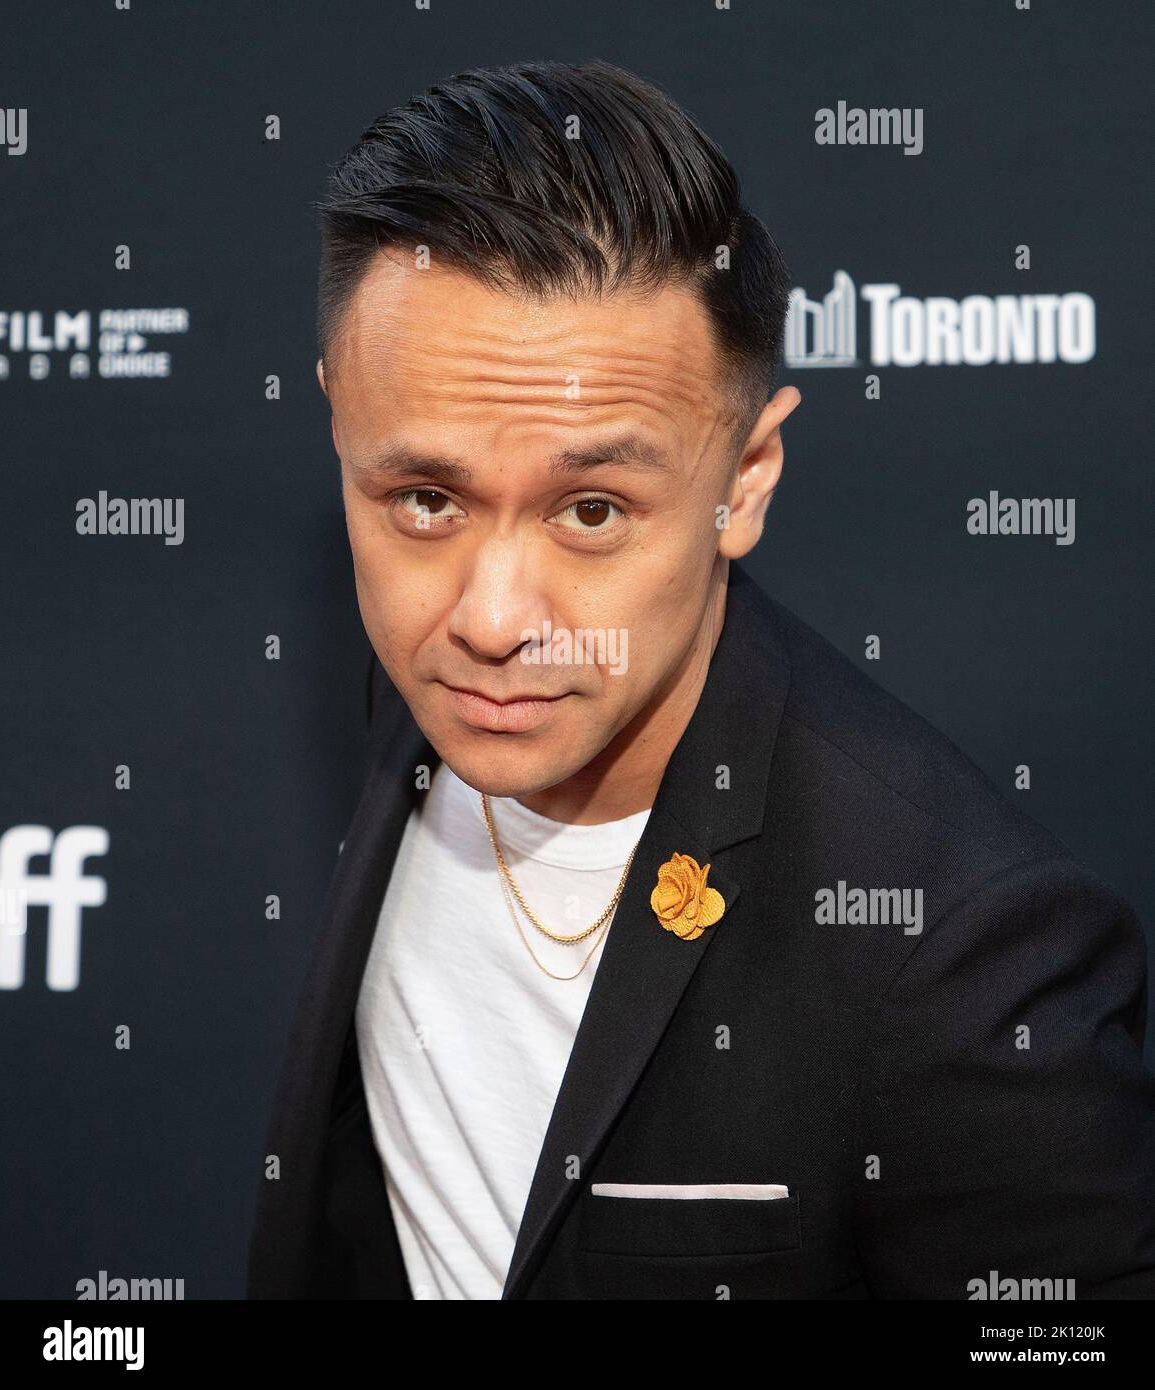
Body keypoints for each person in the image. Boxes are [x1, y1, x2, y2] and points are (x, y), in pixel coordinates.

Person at [247, 59, 1155, 1300]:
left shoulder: (960, 956)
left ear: (748, 478)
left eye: (592, 509)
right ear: (340, 427)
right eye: (425, 497)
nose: (492, 621)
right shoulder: (413, 699)